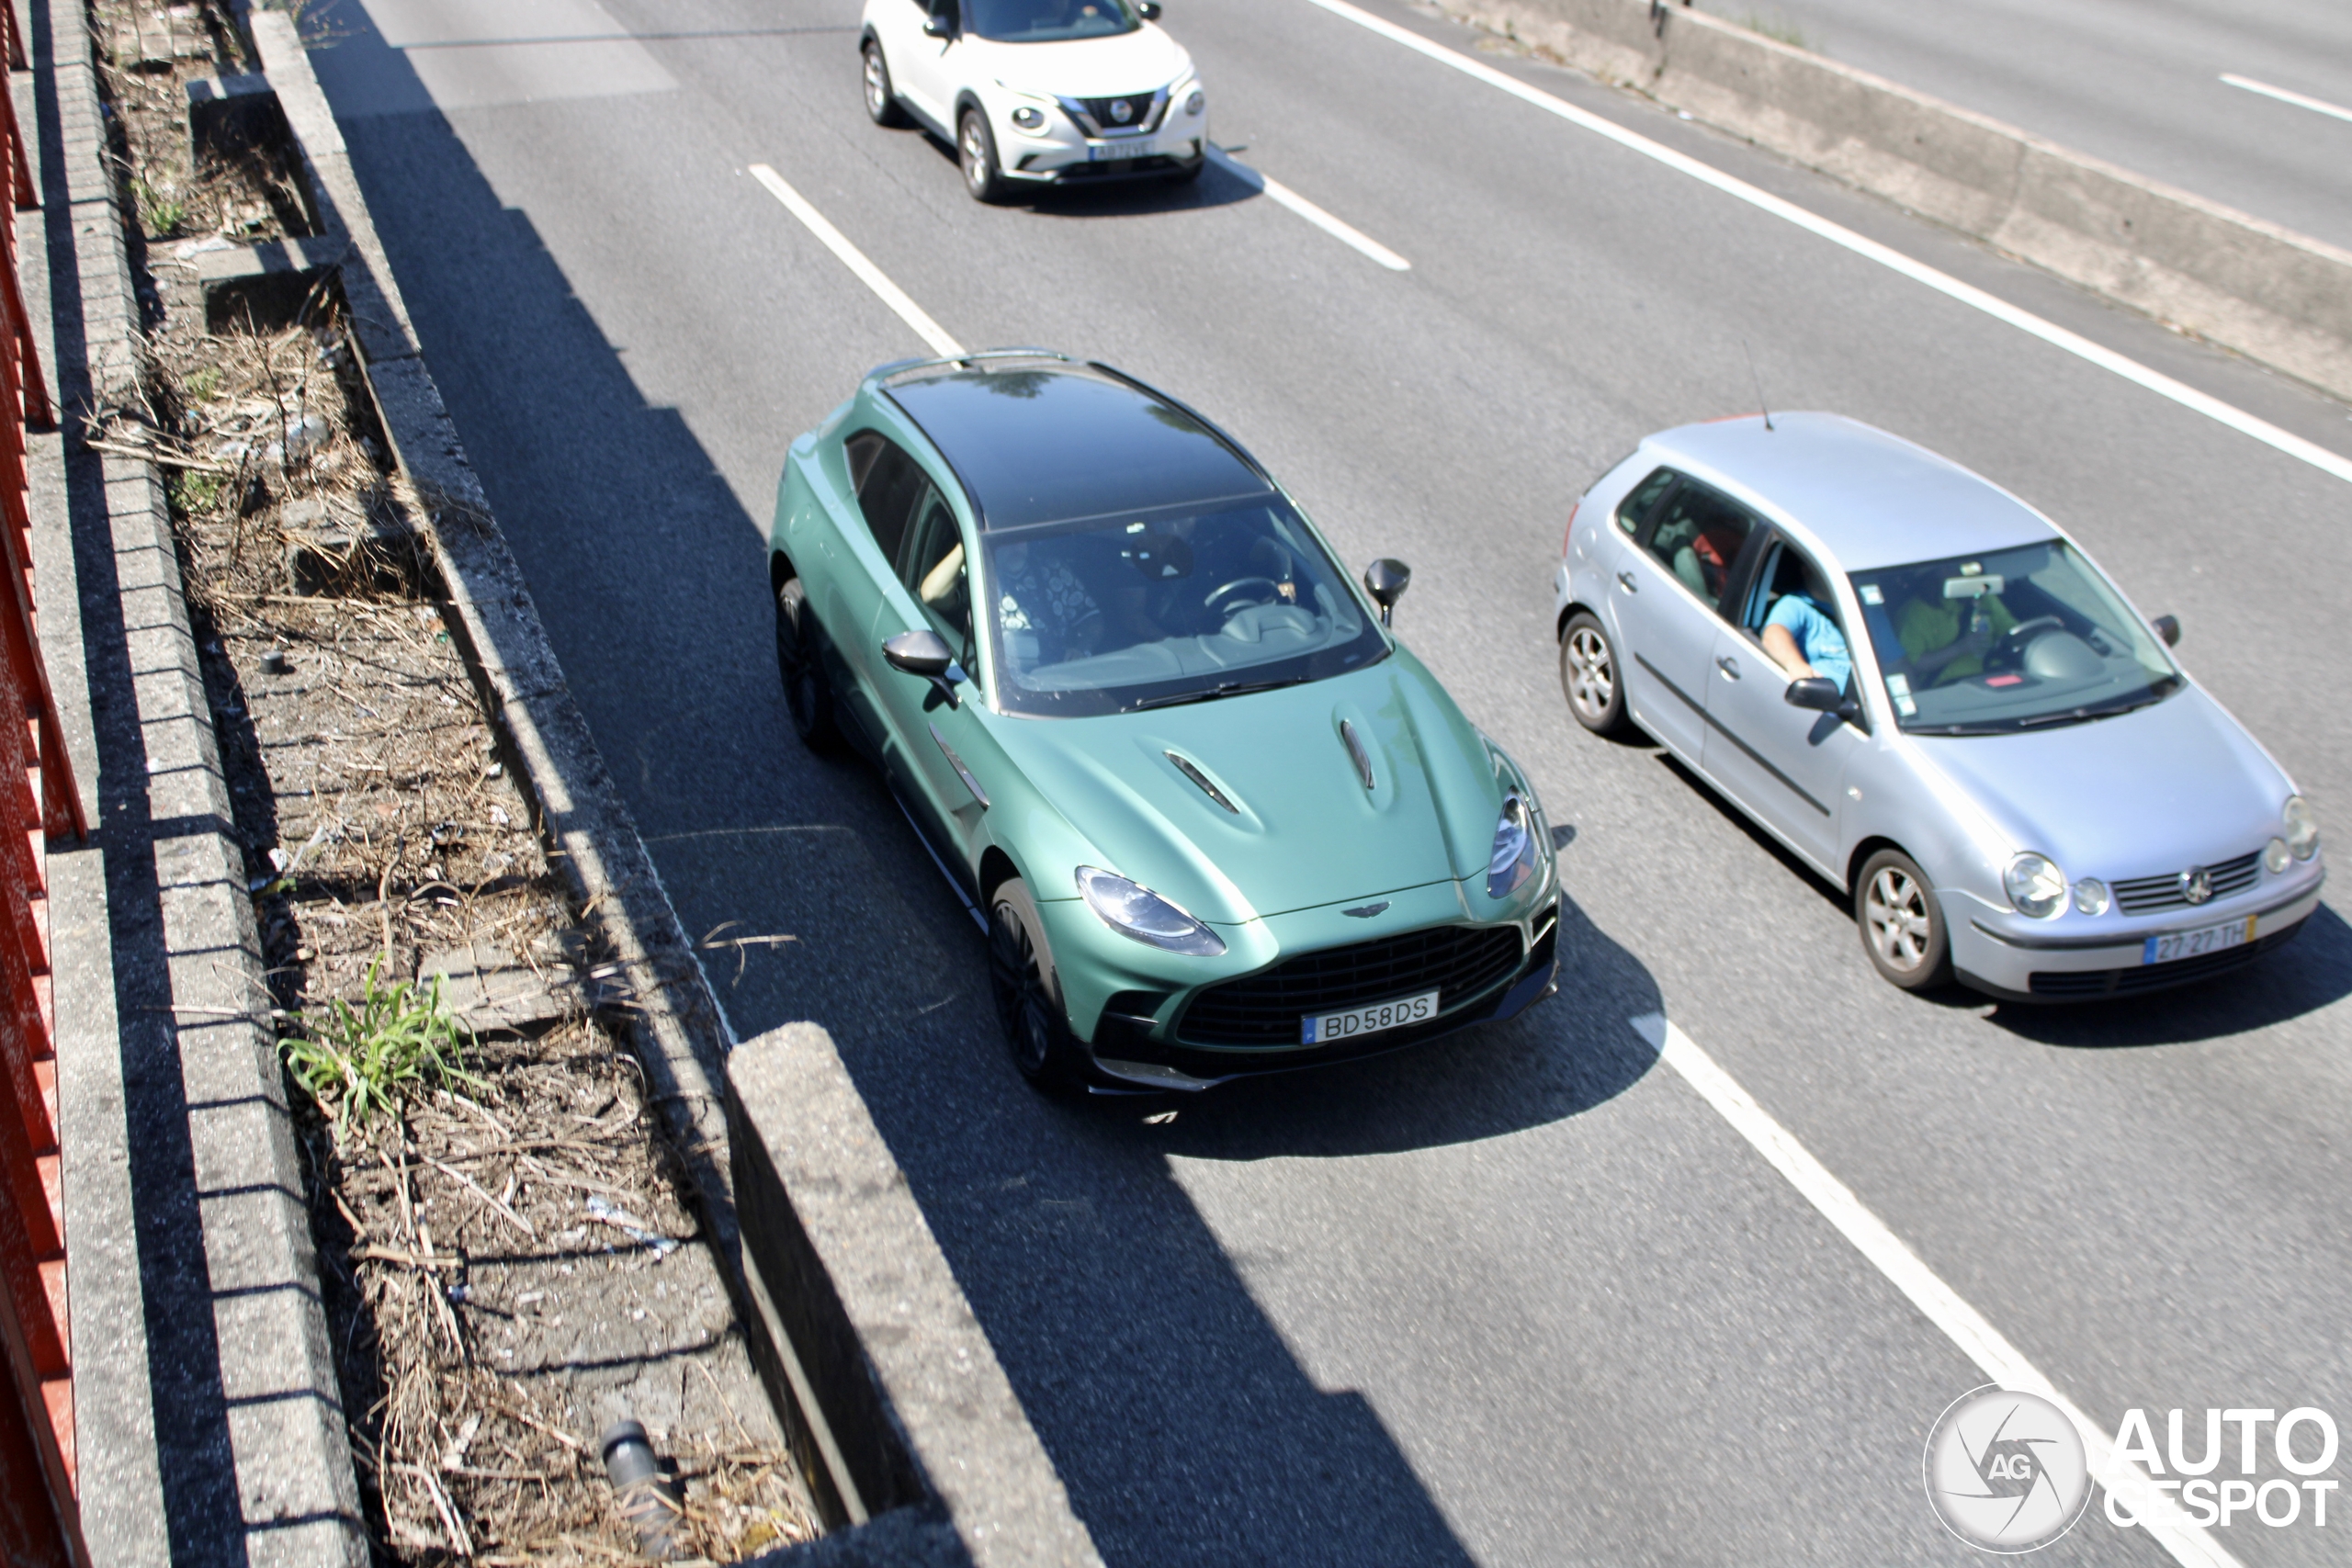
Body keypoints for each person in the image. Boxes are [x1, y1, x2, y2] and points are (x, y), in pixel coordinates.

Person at [1894, 575, 2018, 683]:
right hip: (1950, 686)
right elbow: (1914, 664)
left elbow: (2012, 632)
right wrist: (1961, 648)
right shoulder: (1916, 613)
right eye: (1955, 569)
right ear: (1937, 573)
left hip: (1995, 674)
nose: (1966, 576)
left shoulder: (1984, 597)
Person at [1761, 562, 1852, 691]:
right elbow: (1773, 634)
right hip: (1828, 700)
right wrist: (1796, 665)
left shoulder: (1860, 603)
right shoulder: (1795, 605)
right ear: (1807, 571)